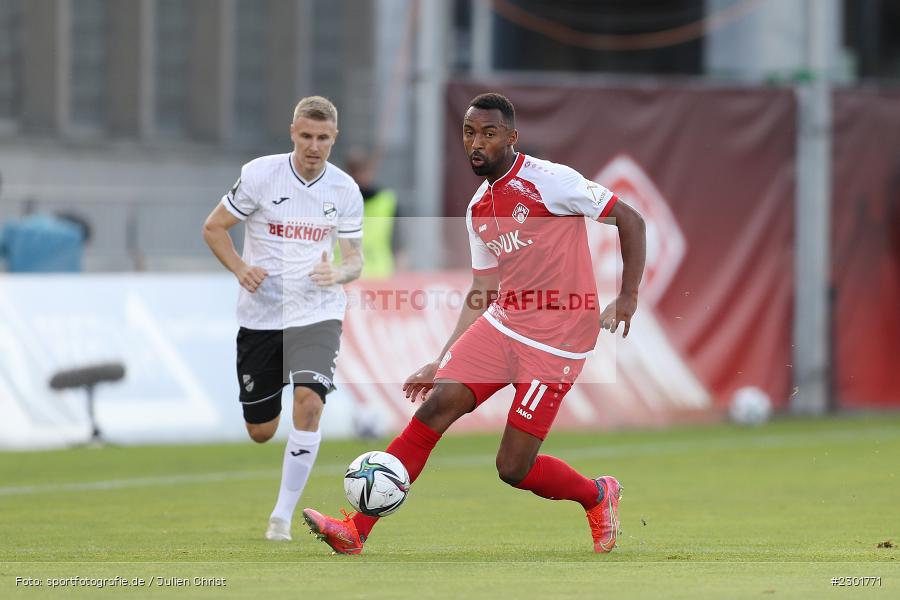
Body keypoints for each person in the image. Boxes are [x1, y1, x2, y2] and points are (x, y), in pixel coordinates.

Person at [302, 93, 646, 554]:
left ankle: (598, 494)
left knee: (513, 467)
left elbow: (630, 219)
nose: (477, 142)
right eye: (469, 132)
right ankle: (355, 531)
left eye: (488, 132)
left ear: (511, 136)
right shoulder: (478, 209)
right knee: (436, 406)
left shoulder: (551, 181)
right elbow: (483, 290)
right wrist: (439, 360)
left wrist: (627, 297)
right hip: (503, 325)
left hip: (558, 343)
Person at [202, 96, 364, 541]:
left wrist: (339, 271)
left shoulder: (345, 189)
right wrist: (240, 268)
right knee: (260, 429)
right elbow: (213, 228)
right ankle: (275, 475)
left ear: (335, 138)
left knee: (310, 402)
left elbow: (355, 261)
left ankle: (282, 517)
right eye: (307, 136)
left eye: (324, 138)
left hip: (317, 311)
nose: (314, 147)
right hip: (261, 316)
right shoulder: (259, 174)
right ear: (293, 132)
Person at [343, 149, 403, 278]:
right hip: (343, 279)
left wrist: (400, 276)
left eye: (361, 170)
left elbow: (399, 245)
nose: (358, 176)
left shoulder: (387, 201)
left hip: (378, 277)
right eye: (354, 171)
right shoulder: (337, 201)